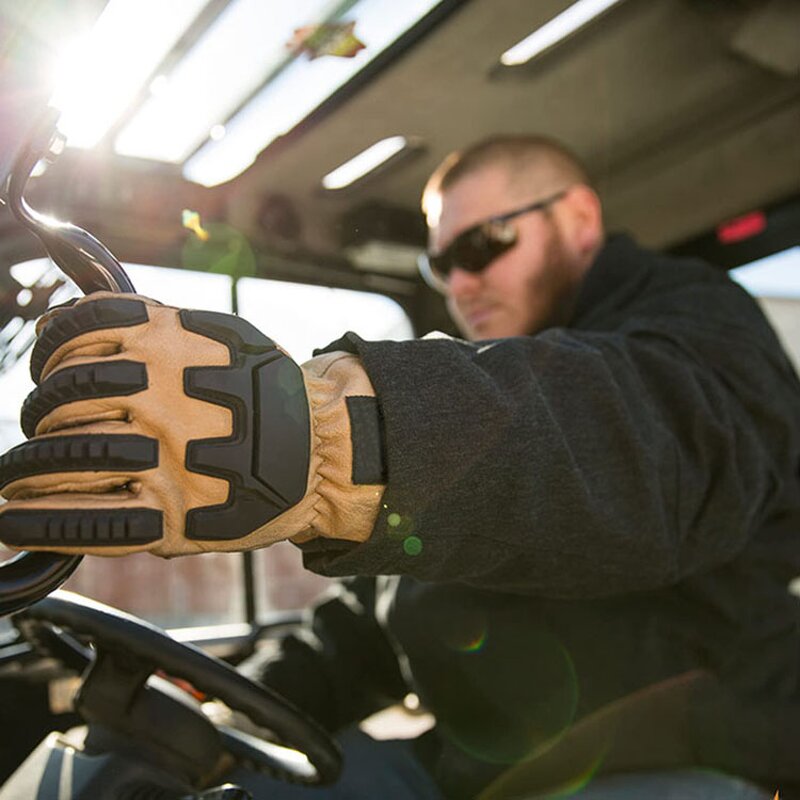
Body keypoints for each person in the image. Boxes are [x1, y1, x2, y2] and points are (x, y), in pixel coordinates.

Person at [1, 135, 798, 800]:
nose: (461, 283)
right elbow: (382, 623)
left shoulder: (695, 325)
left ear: (579, 219)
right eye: (438, 265)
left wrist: (316, 438)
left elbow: (648, 446)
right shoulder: (503, 379)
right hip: (471, 762)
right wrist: (223, 705)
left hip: (673, 755)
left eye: (482, 246)